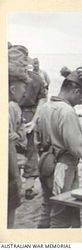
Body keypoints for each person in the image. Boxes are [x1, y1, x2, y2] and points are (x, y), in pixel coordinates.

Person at [35, 69, 82, 228]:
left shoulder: (45, 107)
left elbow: (37, 138)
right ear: (75, 91)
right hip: (62, 168)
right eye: (80, 97)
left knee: (47, 206)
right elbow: (76, 145)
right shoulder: (67, 112)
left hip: (45, 163)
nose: (80, 101)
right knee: (61, 213)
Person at [11, 44, 47, 200]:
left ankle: (18, 185)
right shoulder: (37, 77)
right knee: (31, 151)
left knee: (16, 150)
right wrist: (34, 120)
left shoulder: (12, 77)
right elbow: (43, 99)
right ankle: (28, 188)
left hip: (19, 113)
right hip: (29, 114)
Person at [8, 51, 29, 228]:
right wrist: (17, 179)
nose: (25, 92)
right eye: (23, 87)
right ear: (13, 88)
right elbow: (8, 150)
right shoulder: (10, 107)